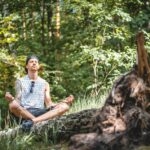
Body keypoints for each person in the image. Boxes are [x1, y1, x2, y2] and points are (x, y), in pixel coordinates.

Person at [5, 55, 74, 130]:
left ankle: (32, 122)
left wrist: (64, 101)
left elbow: (49, 104)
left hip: (40, 112)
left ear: (38, 66)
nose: (34, 63)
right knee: (12, 105)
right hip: (24, 112)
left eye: (36, 62)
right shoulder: (20, 81)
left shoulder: (44, 83)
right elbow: (18, 100)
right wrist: (11, 99)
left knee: (65, 106)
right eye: (31, 62)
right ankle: (38, 121)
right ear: (27, 66)